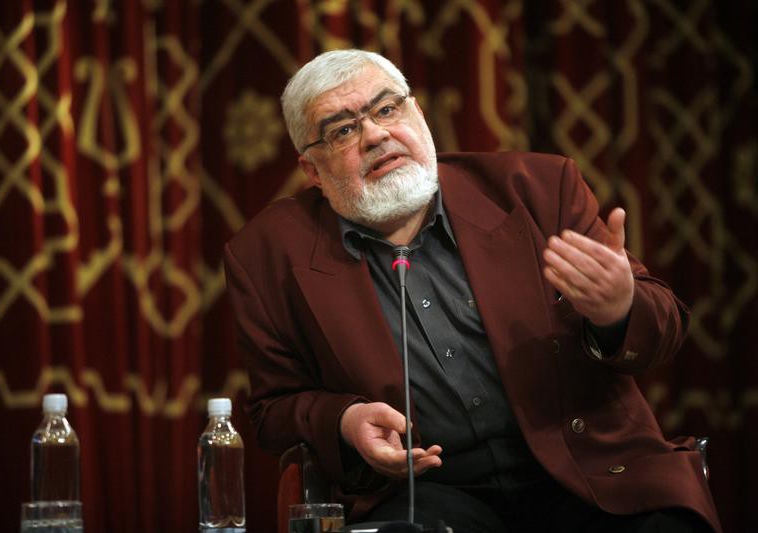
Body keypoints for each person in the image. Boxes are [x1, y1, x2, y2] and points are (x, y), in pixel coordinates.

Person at [223, 49, 721, 533]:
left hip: (588, 474)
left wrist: (619, 310)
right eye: (343, 131)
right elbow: (273, 409)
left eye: (387, 109)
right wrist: (345, 420)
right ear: (313, 171)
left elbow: (665, 329)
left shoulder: (537, 188)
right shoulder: (267, 254)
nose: (375, 135)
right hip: (427, 492)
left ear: (418, 114)